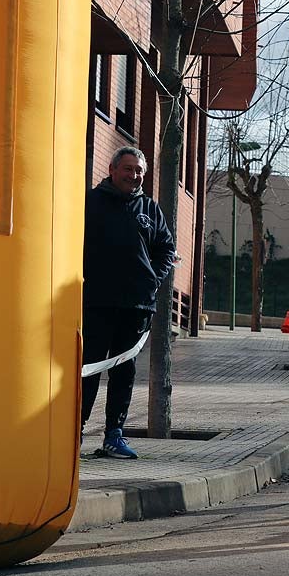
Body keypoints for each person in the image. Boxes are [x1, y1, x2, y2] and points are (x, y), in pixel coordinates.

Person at [82, 146, 176, 459]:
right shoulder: (90, 203)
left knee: (124, 373)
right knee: (88, 369)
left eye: (139, 171)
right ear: (112, 170)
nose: (133, 176)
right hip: (95, 302)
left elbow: (166, 249)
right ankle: (74, 433)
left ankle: (114, 436)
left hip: (136, 306)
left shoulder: (149, 208)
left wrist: (152, 278)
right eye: (128, 169)